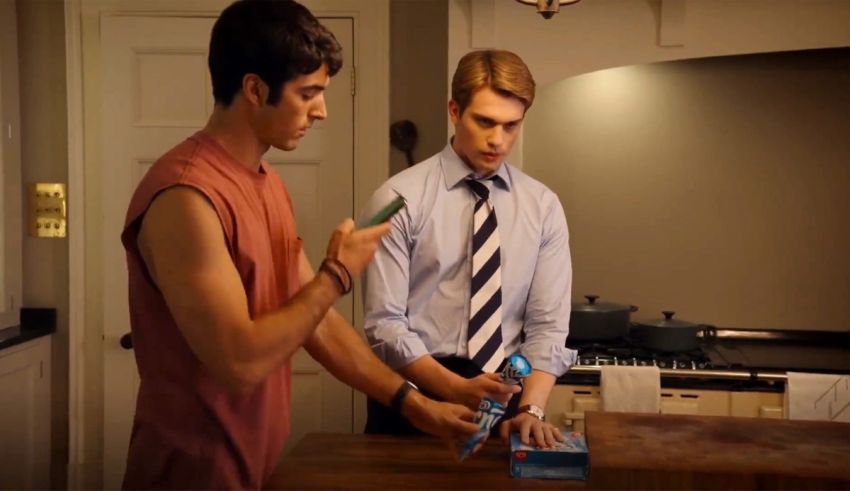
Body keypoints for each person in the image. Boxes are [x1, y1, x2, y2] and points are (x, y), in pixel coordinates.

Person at [120, 1, 479, 489]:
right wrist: (337, 274)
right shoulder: (186, 196)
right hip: (193, 472)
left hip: (257, 466)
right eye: (308, 93)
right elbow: (239, 361)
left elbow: (319, 325)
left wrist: (416, 406)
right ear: (254, 88)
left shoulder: (266, 182)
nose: (322, 111)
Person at [361, 49, 577, 449]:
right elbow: (384, 325)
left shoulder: (543, 207)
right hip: (413, 397)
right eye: (485, 122)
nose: (498, 140)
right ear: (454, 110)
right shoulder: (397, 200)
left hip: (505, 396)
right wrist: (456, 389)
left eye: (512, 126)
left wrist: (530, 410)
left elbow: (547, 328)